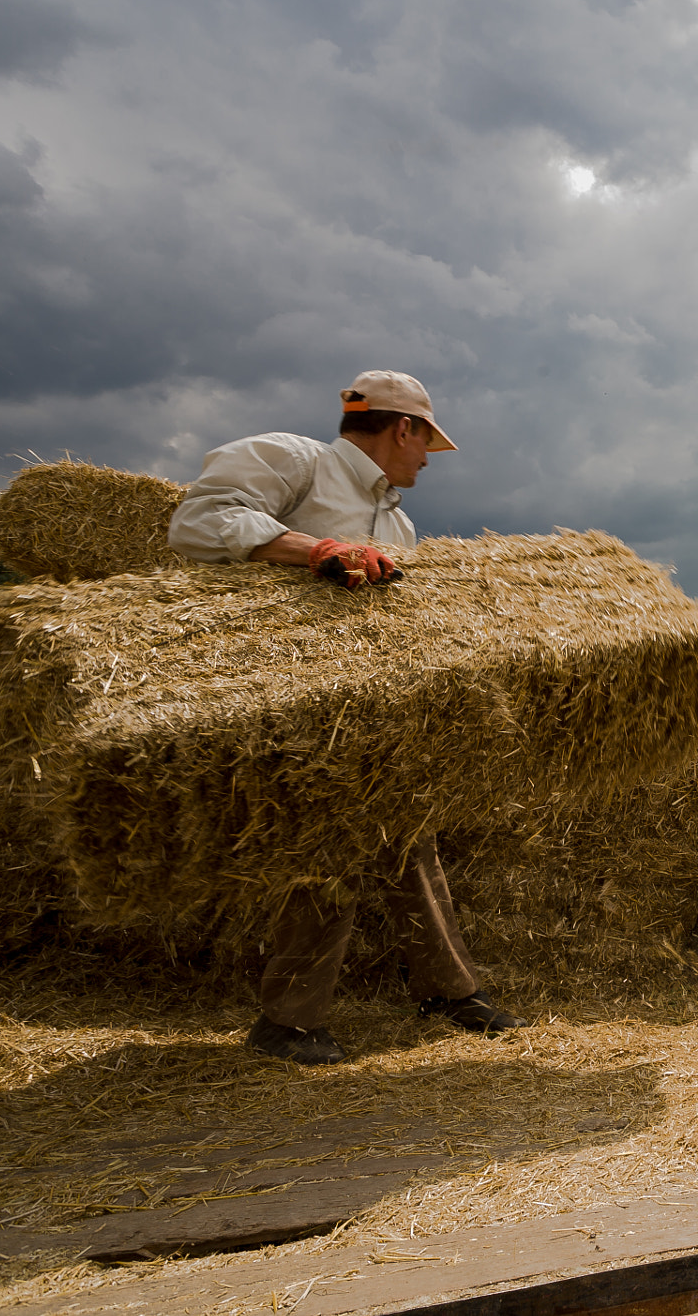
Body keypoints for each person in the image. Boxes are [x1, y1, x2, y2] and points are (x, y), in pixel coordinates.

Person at [168, 370, 526, 1065]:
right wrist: (316, 550)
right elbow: (195, 521)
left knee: (406, 838)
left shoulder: (396, 523)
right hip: (282, 702)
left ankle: (447, 989)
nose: (428, 458)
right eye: (427, 443)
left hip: (365, 711)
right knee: (330, 844)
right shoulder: (298, 463)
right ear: (405, 429)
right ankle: (288, 1021)